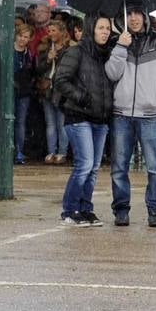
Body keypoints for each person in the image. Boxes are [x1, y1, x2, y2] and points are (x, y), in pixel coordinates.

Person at [105, 1, 156, 227]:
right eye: (131, 14)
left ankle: (155, 210)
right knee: (119, 166)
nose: (135, 18)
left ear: (146, 17)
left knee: (154, 167)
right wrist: (120, 47)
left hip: (150, 114)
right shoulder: (116, 42)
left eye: (139, 14)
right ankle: (121, 209)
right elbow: (111, 74)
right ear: (124, 18)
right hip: (121, 114)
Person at [54, 15, 116, 226]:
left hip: (100, 118)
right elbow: (61, 80)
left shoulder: (107, 55)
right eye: (101, 27)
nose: (105, 31)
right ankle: (69, 210)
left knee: (93, 167)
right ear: (91, 29)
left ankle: (85, 208)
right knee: (85, 164)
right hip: (79, 116)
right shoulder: (77, 51)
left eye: (108, 28)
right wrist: (82, 97)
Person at [36, 19, 70, 163]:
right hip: (47, 89)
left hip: (61, 90)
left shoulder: (69, 49)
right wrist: (48, 59)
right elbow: (38, 70)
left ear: (62, 32)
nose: (51, 34)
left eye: (54, 30)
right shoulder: (44, 48)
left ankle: (62, 152)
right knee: (50, 122)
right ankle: (51, 151)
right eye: (49, 31)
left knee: (61, 122)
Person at [12, 23, 35, 164]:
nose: (22, 39)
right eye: (20, 35)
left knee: (20, 122)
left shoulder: (29, 54)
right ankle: (8, 150)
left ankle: (18, 150)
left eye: (26, 37)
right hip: (10, 90)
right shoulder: (9, 50)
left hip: (24, 92)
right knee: (8, 121)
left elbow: (32, 71)